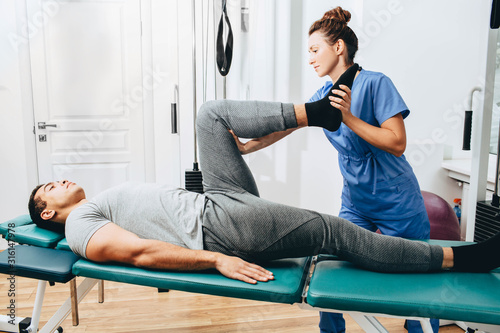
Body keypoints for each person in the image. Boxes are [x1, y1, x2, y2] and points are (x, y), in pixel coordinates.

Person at [29, 99, 500, 288]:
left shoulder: (90, 204)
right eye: (51, 187)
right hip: (217, 228)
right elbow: (140, 254)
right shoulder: (78, 226)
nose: (61, 180)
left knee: (210, 115)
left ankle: (319, 111)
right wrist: (215, 260)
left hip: (217, 199)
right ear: (49, 213)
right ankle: (462, 259)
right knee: (334, 232)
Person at [302, 7, 437, 332]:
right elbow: (288, 124)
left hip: (398, 204)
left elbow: (396, 142)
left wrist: (348, 116)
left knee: (420, 286)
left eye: (314, 49)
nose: (310, 59)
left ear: (338, 48)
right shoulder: (323, 96)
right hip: (356, 205)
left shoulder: (377, 84)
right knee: (329, 269)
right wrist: (248, 144)